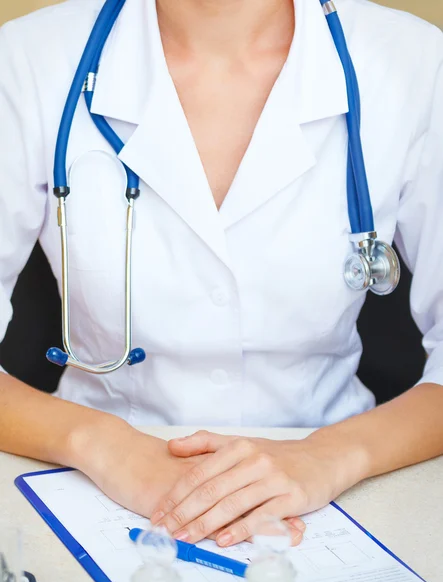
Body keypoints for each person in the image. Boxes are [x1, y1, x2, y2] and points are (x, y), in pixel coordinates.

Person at [1, 0, 443, 550]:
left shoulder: (414, 62)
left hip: (341, 495)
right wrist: (103, 445)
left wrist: (331, 454)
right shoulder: (25, 61)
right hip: (90, 489)